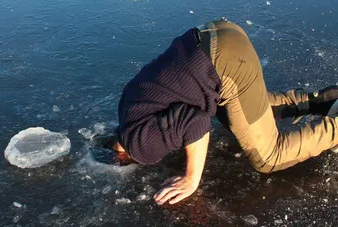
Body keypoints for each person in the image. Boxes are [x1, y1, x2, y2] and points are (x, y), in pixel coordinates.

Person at [102, 19, 338, 206]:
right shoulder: (126, 112)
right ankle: (325, 100)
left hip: (227, 62)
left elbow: (196, 124)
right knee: (239, 114)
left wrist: (191, 179)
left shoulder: (141, 147)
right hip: (216, 35)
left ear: (121, 157)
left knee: (267, 157)